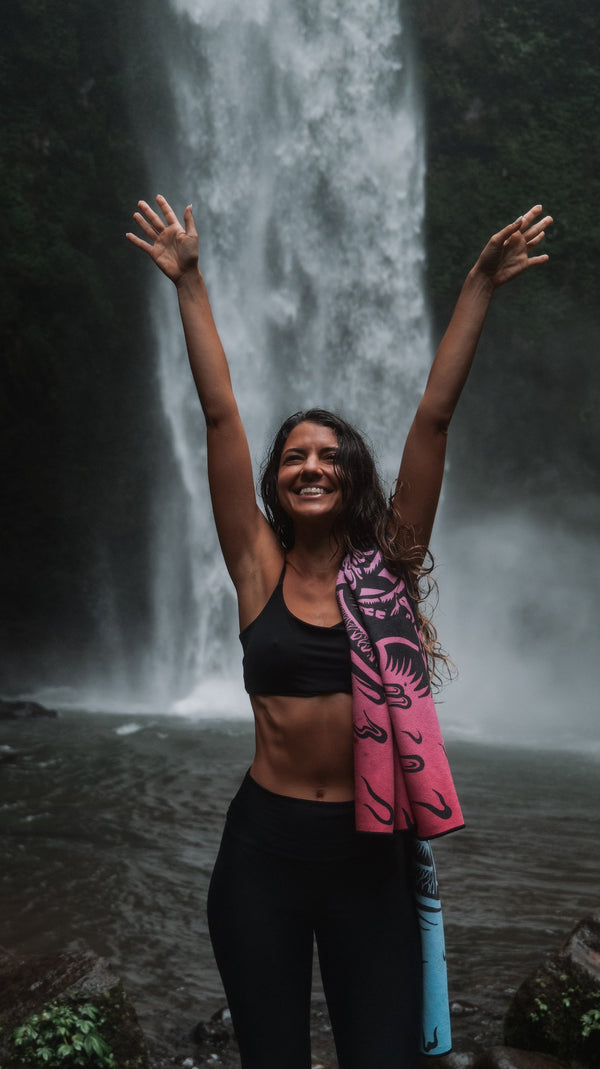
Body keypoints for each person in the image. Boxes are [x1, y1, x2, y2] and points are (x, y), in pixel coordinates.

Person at [127, 197, 552, 1068]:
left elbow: (434, 418)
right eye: (294, 457)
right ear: (276, 483)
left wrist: (478, 284)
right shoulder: (256, 567)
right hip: (263, 853)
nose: (311, 465)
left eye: (329, 455)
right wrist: (190, 281)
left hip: (371, 853)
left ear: (352, 476)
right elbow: (219, 418)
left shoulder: (390, 565)